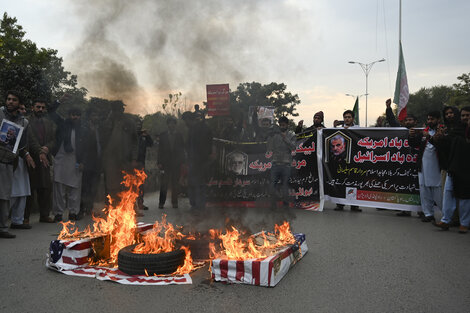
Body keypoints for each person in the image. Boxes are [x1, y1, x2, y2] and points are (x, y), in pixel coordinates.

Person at [0, 91, 34, 238]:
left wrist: (26, 154)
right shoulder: (0, 114)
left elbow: (21, 145)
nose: (10, 102)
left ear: (19, 104)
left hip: (7, 162)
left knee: (4, 196)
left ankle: (2, 228)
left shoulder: (23, 122)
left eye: (14, 100)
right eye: (8, 99)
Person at [433, 106, 470, 233]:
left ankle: (464, 224)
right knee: (448, 194)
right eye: (463, 115)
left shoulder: (465, 131)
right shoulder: (455, 130)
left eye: (468, 115)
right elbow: (446, 145)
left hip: (466, 169)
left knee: (465, 197)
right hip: (453, 166)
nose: (465, 118)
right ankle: (446, 220)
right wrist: (438, 138)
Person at [384, 98, 419, 217]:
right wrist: (388, 108)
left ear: (415, 122)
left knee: (418, 187)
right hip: (403, 165)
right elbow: (392, 120)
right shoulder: (401, 131)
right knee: (404, 186)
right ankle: (405, 209)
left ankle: (422, 211)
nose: (408, 122)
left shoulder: (421, 132)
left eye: (411, 120)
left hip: (416, 164)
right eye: (407, 120)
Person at [25, 100, 56, 223]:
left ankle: (44, 215)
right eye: (38, 107)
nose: (40, 109)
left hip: (45, 160)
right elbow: (30, 139)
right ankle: (25, 217)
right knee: (30, 189)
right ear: (32, 107)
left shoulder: (48, 122)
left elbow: (54, 139)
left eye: (43, 107)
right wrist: (40, 152)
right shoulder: (26, 121)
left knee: (46, 188)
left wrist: (47, 148)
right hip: (30, 158)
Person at [409, 111, 443, 222]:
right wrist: (411, 136)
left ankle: (447, 216)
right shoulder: (424, 132)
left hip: (437, 166)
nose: (429, 121)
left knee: (438, 191)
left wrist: (429, 137)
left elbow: (443, 146)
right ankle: (428, 214)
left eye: (432, 119)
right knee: (424, 189)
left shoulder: (443, 131)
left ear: (438, 120)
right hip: (423, 166)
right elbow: (413, 143)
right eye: (428, 119)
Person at [51, 107, 85, 222]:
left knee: (75, 189)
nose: (75, 117)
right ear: (69, 115)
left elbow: (87, 148)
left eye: (77, 115)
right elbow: (51, 111)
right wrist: (60, 101)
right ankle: (58, 213)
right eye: (72, 114)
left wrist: (82, 162)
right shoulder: (63, 124)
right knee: (59, 188)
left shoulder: (83, 129)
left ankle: (73, 212)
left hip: (76, 160)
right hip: (61, 159)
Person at [182, 111, 213, 210]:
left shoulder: (198, 129)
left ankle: (198, 205)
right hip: (196, 161)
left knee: (198, 184)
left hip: (198, 161)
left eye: (186, 120)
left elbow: (204, 145)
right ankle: (196, 204)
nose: (185, 123)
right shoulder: (195, 129)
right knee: (196, 184)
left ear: (189, 119)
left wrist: (201, 158)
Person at [10, 103, 33, 229]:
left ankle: (17, 221)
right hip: (8, 159)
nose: (23, 111)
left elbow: (28, 142)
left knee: (23, 191)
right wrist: (25, 153)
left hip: (22, 160)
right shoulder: (5, 119)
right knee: (10, 193)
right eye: (20, 108)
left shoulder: (26, 122)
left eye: (24, 108)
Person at [332, 110, 361, 212]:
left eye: (349, 117)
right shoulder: (340, 130)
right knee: (341, 182)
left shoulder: (357, 129)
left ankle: (354, 205)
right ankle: (340, 204)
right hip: (342, 161)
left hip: (353, 161)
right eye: (345, 117)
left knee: (353, 183)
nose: (347, 119)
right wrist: (335, 128)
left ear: (353, 119)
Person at [267, 116, 296, 209]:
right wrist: (270, 136)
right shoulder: (275, 134)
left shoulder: (292, 134)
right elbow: (269, 147)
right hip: (275, 163)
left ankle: (285, 204)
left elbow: (293, 147)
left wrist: (285, 138)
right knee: (273, 185)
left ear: (287, 125)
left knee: (285, 185)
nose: (282, 127)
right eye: (280, 125)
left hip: (286, 164)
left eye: (284, 125)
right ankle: (273, 204)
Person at [79, 107, 103, 217]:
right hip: (87, 162)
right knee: (85, 187)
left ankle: (89, 209)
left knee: (94, 188)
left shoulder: (100, 128)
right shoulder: (84, 129)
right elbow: (82, 147)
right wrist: (81, 161)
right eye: (94, 115)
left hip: (97, 163)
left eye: (97, 115)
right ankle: (81, 209)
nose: (96, 117)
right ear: (89, 116)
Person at [157, 117, 184, 209]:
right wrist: (159, 162)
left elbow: (182, 150)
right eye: (170, 123)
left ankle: (174, 202)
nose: (171, 125)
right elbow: (159, 150)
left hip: (176, 163)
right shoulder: (163, 135)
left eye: (173, 123)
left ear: (175, 125)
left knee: (175, 183)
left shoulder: (179, 136)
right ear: (167, 125)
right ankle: (161, 203)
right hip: (165, 163)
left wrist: (182, 162)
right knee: (164, 183)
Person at [135, 118, 153, 211]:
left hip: (141, 163)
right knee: (131, 185)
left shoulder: (144, 136)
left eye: (140, 124)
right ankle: (132, 206)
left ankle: (140, 203)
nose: (138, 126)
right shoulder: (131, 135)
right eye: (137, 124)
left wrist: (147, 135)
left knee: (141, 184)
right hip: (132, 164)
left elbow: (151, 144)